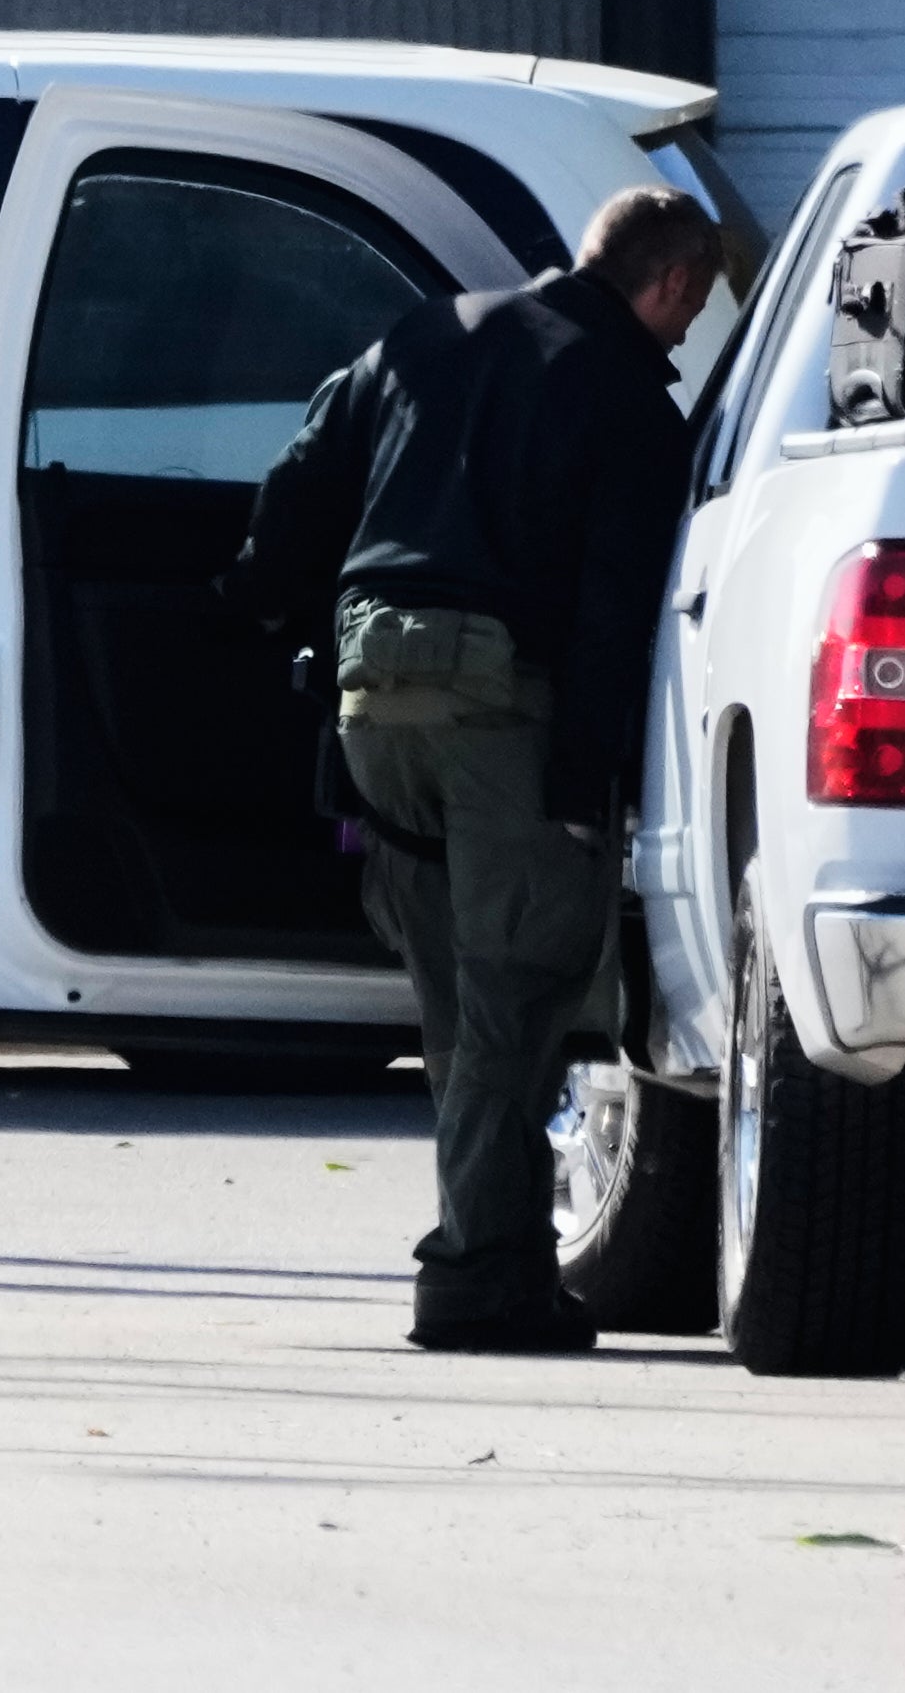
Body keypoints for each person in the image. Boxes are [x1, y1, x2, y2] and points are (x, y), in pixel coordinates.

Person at [220, 184, 716, 1350]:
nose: (687, 330)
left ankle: (494, 1256)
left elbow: (296, 486)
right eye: (690, 308)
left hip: (368, 692)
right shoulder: (627, 402)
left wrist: (277, 615)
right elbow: (610, 609)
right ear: (672, 285)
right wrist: (589, 785)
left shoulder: (421, 334)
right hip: (500, 710)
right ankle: (474, 1276)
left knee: (455, 1002)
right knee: (517, 994)